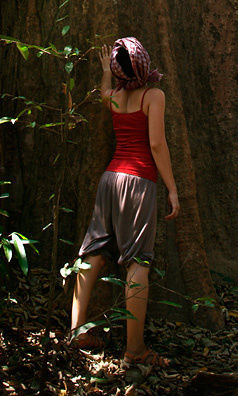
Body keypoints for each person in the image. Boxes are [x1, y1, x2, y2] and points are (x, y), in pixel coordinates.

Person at [69, 37, 180, 370]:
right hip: (139, 182)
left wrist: (105, 73)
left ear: (120, 71)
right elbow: (157, 144)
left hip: (110, 180)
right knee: (138, 263)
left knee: (93, 253)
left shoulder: (116, 96)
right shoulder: (154, 96)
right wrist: (173, 189)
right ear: (144, 62)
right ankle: (135, 350)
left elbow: (105, 95)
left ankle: (76, 331)